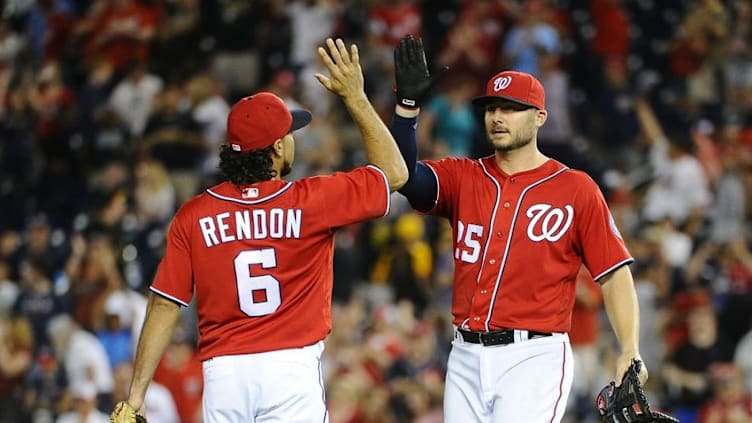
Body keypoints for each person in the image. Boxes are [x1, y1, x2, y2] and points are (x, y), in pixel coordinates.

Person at [110, 38, 408, 423]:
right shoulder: (313, 199)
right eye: (289, 135)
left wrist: (135, 396)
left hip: (223, 378)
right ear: (278, 149)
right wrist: (355, 98)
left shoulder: (194, 215)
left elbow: (165, 303)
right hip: (289, 371)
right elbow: (396, 173)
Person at [389, 35, 647, 422]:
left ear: (540, 117)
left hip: (534, 356)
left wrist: (629, 346)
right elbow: (403, 176)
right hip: (464, 354)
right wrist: (407, 110)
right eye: (492, 107)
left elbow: (614, 273)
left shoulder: (575, 188)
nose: (498, 116)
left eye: (511, 109)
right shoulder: (464, 175)